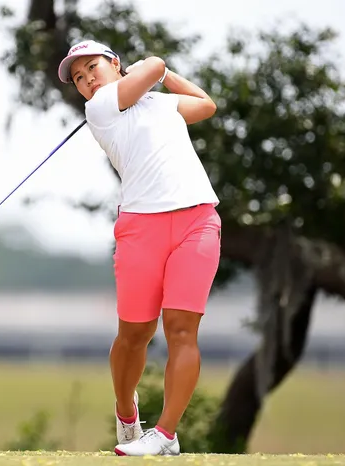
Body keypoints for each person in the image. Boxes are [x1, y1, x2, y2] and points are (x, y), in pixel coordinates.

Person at [57, 40, 222, 456]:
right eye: (78, 78)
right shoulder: (99, 108)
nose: (87, 79)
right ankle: (126, 410)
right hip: (141, 228)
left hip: (198, 220)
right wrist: (152, 70)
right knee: (135, 334)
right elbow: (155, 63)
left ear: (115, 64)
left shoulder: (159, 104)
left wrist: (162, 78)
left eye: (92, 67)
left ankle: (165, 435)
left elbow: (205, 105)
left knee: (181, 330)